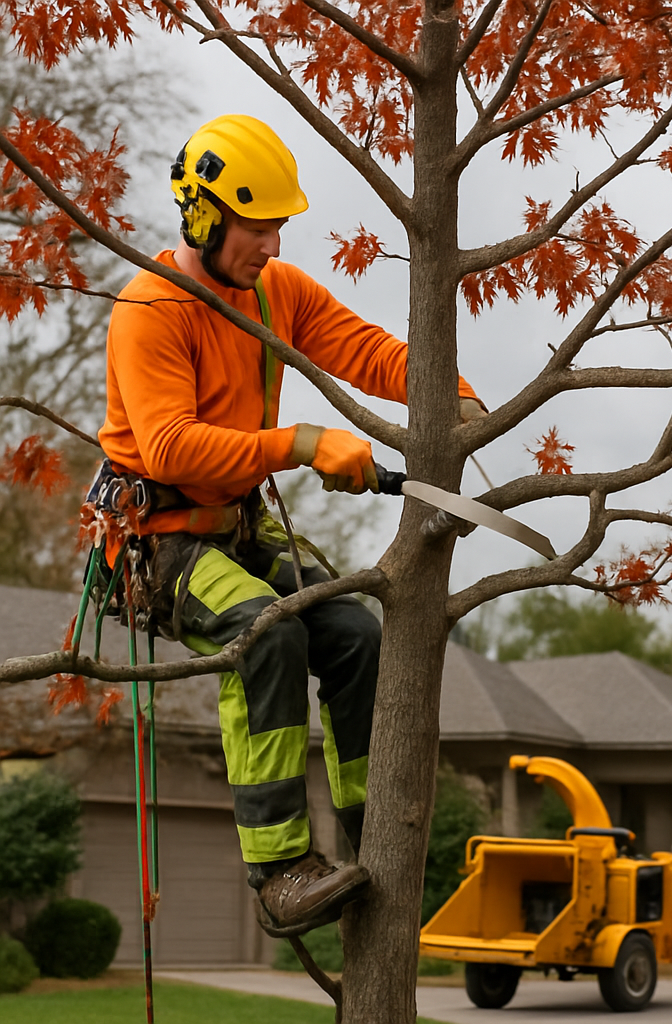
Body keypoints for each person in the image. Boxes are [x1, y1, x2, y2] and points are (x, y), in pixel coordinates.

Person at [93, 114, 485, 937]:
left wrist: (452, 396)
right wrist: (303, 444)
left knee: (353, 631)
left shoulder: (279, 292)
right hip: (161, 541)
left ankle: (369, 833)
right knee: (268, 635)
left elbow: (366, 349)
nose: (270, 243)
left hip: (236, 524)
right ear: (201, 215)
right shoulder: (151, 307)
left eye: (277, 225)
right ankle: (278, 871)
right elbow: (170, 449)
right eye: (254, 225)